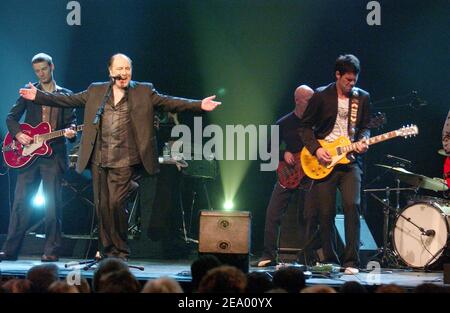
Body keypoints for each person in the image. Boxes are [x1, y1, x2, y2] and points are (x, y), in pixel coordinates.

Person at [19, 53, 221, 260]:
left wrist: (199, 105)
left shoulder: (144, 90)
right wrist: (38, 96)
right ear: (110, 71)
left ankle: (121, 250)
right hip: (99, 158)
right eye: (120, 69)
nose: (124, 73)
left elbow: (170, 102)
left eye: (127, 69)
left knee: (116, 204)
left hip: (126, 159)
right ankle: (108, 251)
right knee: (102, 206)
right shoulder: (96, 91)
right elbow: (67, 99)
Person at [0, 53, 76, 262]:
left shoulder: (66, 95)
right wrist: (18, 134)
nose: (41, 74)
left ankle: (51, 251)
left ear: (52, 67)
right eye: (37, 71)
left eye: (44, 69)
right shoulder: (29, 92)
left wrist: (71, 132)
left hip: (53, 156)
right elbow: (11, 117)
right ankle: (10, 250)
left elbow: (72, 124)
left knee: (52, 206)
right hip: (28, 155)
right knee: (20, 203)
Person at [299, 54, 370, 269]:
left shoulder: (362, 97)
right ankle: (330, 259)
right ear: (337, 75)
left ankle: (351, 261)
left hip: (350, 161)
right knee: (326, 212)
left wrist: (364, 140)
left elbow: (366, 126)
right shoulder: (321, 95)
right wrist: (317, 150)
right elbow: (305, 127)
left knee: (352, 206)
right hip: (325, 161)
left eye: (354, 80)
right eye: (347, 80)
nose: (351, 84)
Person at [252, 85, 314, 267]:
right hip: (289, 173)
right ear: (298, 100)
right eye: (309, 100)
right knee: (273, 214)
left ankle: (307, 258)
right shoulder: (284, 122)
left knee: (308, 216)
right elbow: (266, 149)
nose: (313, 103)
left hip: (310, 174)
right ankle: (268, 255)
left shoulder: (317, 124)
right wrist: (283, 154)